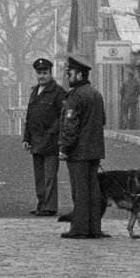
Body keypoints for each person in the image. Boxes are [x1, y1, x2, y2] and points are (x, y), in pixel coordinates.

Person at [58, 56, 107, 239]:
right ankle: (94, 228)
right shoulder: (96, 94)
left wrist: (64, 149)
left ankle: (79, 229)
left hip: (79, 153)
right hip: (95, 151)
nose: (67, 77)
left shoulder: (75, 97)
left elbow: (70, 126)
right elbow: (102, 120)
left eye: (69, 73)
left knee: (79, 192)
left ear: (79, 75)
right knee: (93, 192)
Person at [22, 57, 66, 217]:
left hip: (51, 142)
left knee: (49, 176)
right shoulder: (34, 92)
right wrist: (26, 138)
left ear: (50, 73)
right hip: (35, 141)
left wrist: (52, 132)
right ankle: (41, 205)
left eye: (45, 73)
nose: (42, 76)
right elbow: (30, 117)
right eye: (39, 73)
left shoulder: (58, 92)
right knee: (39, 177)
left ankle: (50, 207)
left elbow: (63, 116)